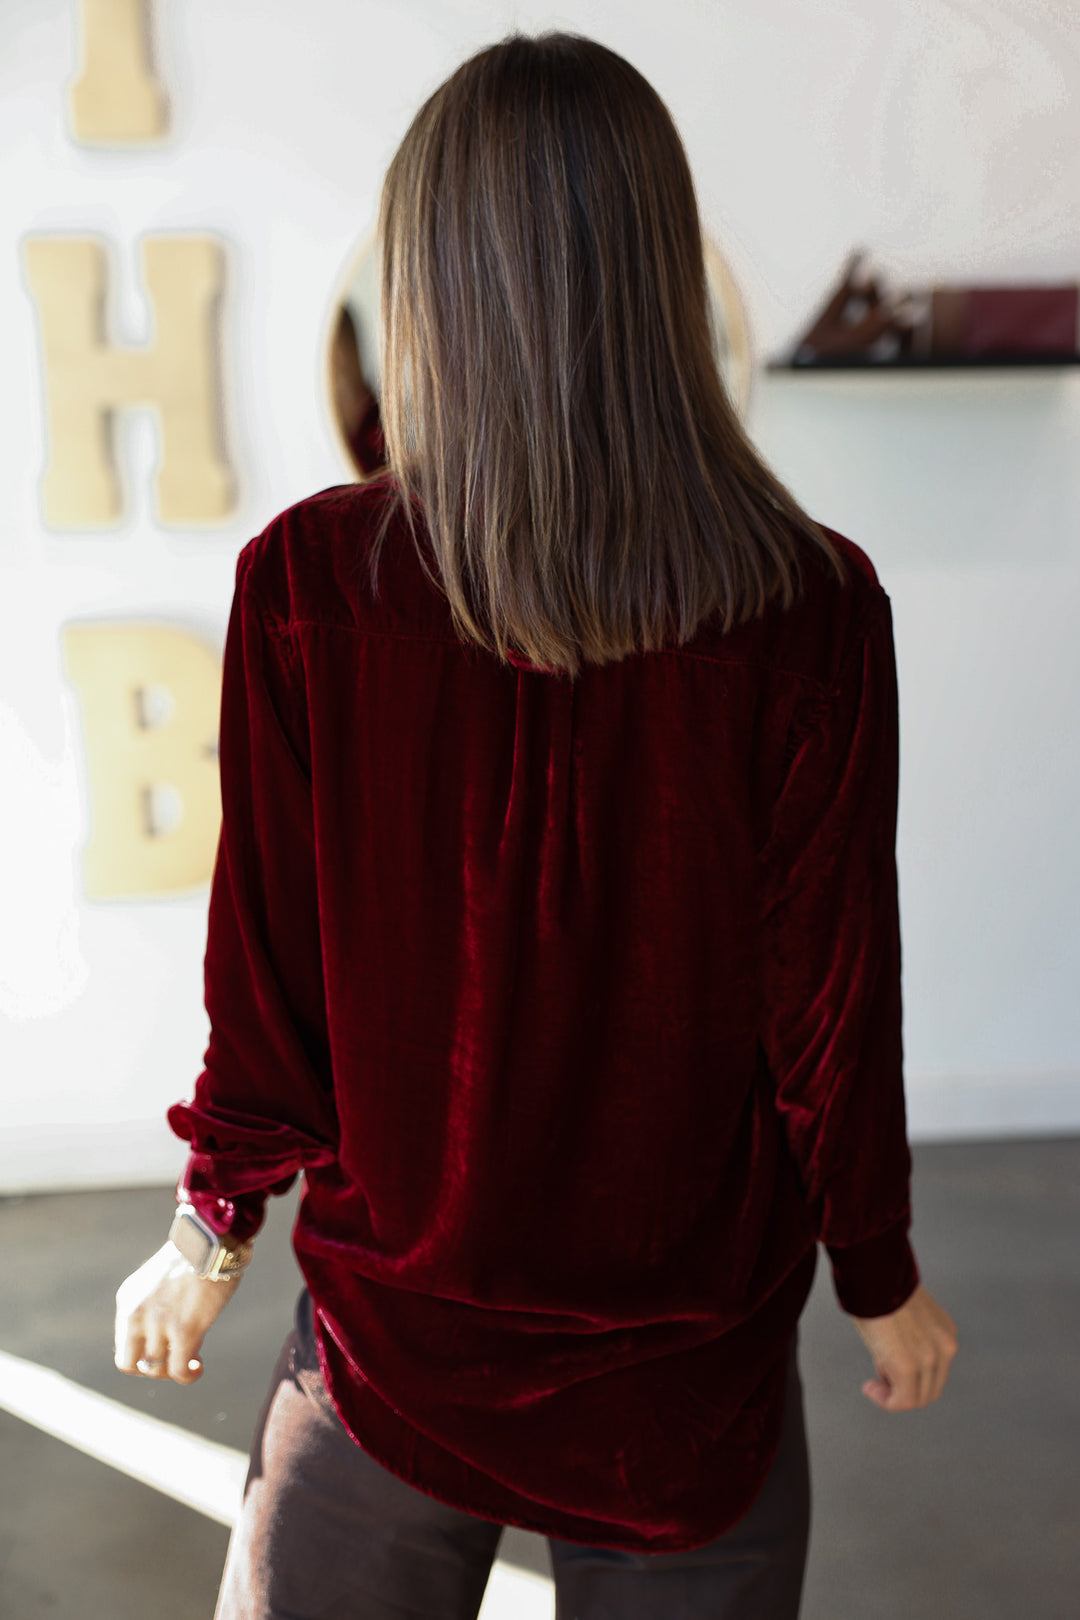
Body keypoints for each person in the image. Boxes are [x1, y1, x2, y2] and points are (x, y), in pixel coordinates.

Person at [114, 29, 959, 1620]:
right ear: (659, 274)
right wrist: (878, 1277)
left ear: (431, 274)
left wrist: (211, 1232)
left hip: (392, 1356)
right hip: (683, 1381)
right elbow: (831, 1006)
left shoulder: (309, 584)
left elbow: (265, 983)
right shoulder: (811, 602)